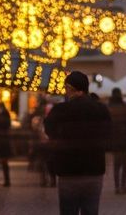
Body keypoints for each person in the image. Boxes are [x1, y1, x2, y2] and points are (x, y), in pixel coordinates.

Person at [44, 71, 112, 215]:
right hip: (94, 171)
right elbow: (108, 134)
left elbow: (49, 131)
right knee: (91, 210)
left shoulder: (60, 110)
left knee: (68, 211)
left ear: (70, 88)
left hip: (68, 172)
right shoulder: (100, 109)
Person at [108, 88, 126, 194]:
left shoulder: (109, 108)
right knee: (124, 164)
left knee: (116, 165)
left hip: (114, 138)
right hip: (125, 139)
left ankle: (117, 187)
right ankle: (123, 185)